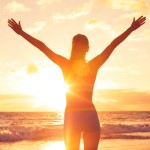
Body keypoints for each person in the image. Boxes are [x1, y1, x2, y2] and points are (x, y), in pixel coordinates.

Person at [8, 16, 146, 150]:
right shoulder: (91, 65)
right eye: (79, 46)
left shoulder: (66, 65)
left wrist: (22, 33)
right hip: (86, 116)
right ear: (87, 48)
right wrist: (130, 29)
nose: (80, 49)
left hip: (74, 116)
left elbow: (43, 47)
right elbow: (112, 45)